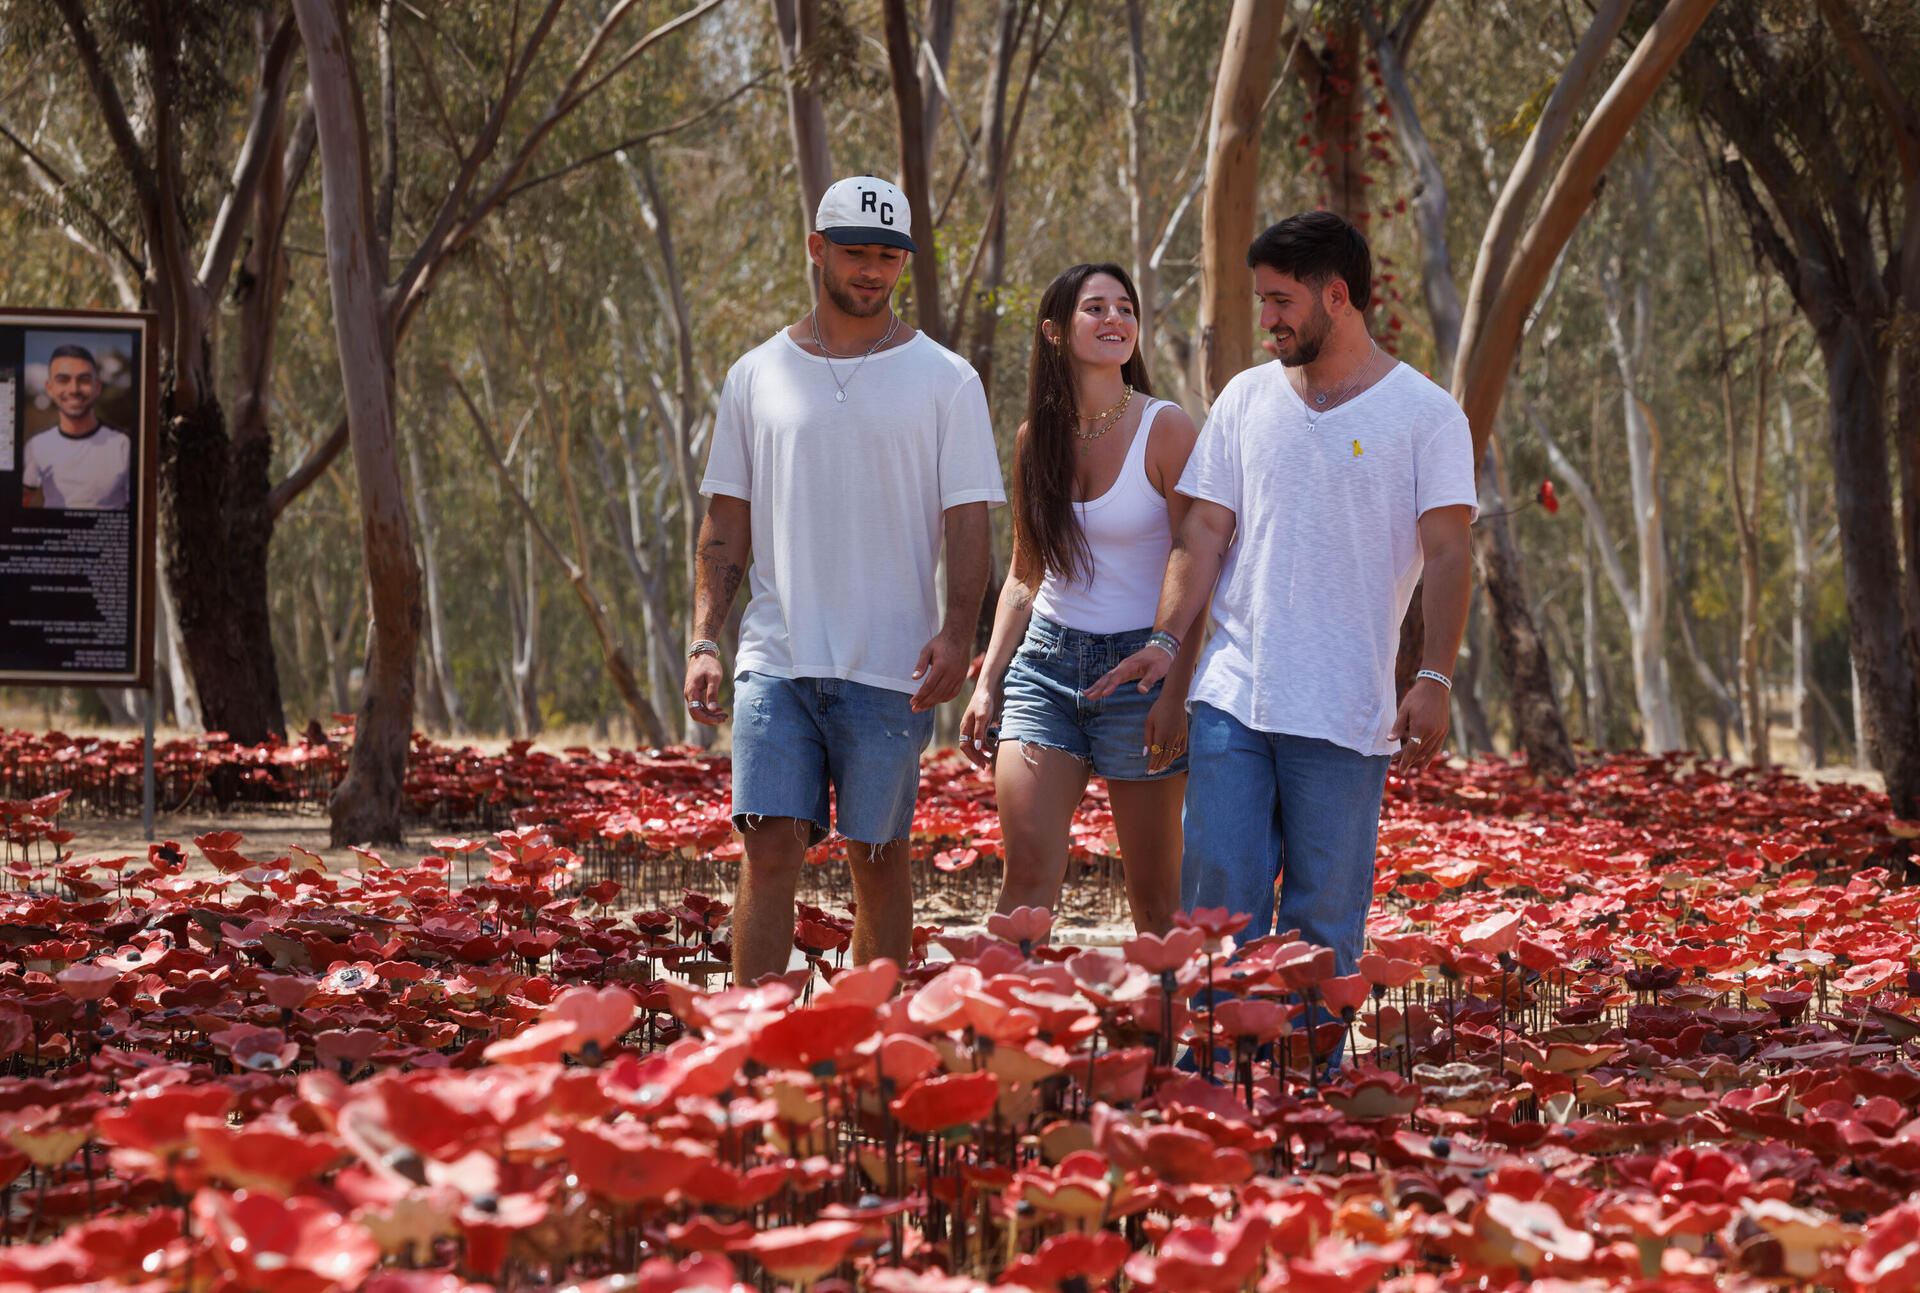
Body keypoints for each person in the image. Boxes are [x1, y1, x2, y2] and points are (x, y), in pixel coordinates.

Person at [1089, 210, 1475, 987]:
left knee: (1322, 927)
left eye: (1280, 301)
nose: (1265, 318)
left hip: (1345, 711)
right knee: (1215, 916)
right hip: (1235, 697)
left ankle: (1307, 1066)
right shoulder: (1245, 398)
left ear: (1337, 297)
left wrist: (1434, 676)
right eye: (1261, 299)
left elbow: (1448, 552)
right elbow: (1204, 531)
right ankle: (1214, 1059)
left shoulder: (1426, 415)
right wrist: (1165, 639)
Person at [684, 175, 1004, 986]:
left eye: (889, 257)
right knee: (768, 849)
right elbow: (726, 521)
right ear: (816, 249)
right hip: (775, 657)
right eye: (856, 252)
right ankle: (753, 1039)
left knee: (878, 858)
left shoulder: (947, 379)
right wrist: (704, 640)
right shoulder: (755, 374)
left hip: (892, 668)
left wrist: (958, 633)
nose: (873, 270)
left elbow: (969, 520)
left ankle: (874, 1038)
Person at [959, 264, 1199, 934]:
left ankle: (1166, 1008)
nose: (1115, 318)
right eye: (1095, 307)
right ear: (1055, 331)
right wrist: (989, 681)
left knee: (1156, 899)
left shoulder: (1166, 429)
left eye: (1125, 307)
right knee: (1026, 874)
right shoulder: (1033, 440)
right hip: (1045, 667)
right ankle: (1005, 1006)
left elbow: (1197, 566)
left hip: (1143, 673)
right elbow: (1024, 574)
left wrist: (1175, 693)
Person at [22, 345, 131, 510]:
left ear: (97, 387)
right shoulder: (36, 446)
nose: (73, 389)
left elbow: (137, 515)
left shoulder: (124, 445)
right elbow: (14, 510)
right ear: (49, 388)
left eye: (84, 380)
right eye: (63, 380)